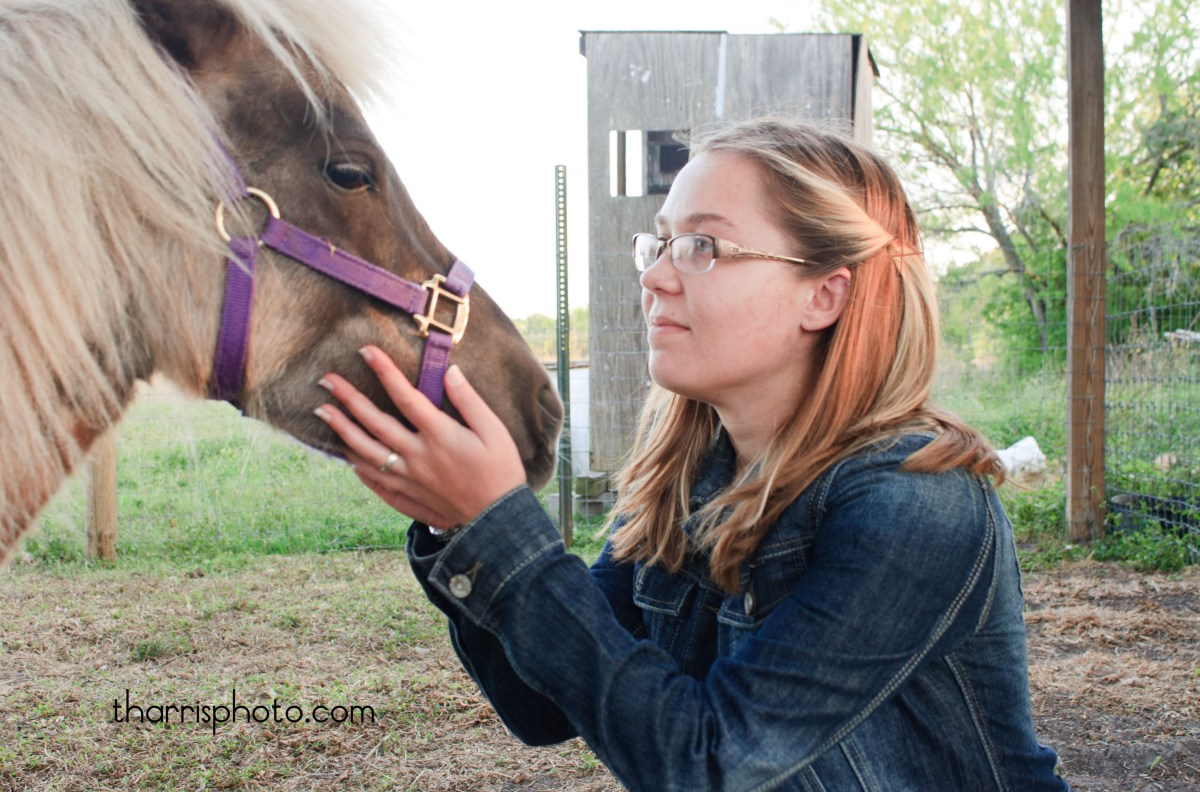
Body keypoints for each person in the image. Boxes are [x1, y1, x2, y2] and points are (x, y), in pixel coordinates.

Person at [313, 117, 1070, 791]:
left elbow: (710, 765)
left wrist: (500, 524)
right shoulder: (687, 483)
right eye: (661, 242)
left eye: (702, 246)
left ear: (824, 296)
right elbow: (540, 707)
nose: (653, 275)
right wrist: (458, 527)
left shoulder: (917, 506)